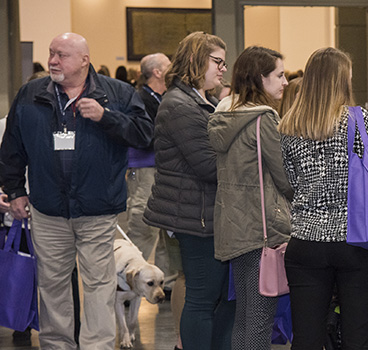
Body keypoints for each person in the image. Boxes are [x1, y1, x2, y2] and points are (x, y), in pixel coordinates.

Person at [0, 32, 153, 349]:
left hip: (98, 210)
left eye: (62, 55)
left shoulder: (117, 94)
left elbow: (144, 134)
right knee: (52, 285)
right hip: (47, 210)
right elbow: (11, 148)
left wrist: (106, 117)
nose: (53, 60)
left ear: (84, 60)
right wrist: (15, 191)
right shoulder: (30, 95)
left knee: (99, 284)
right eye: (51, 53)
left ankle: (97, 346)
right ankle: (58, 346)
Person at [279, 47, 368, 350]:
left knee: (306, 338)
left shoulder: (288, 125)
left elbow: (289, 181)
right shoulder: (358, 119)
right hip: (356, 239)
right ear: (343, 79)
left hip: (305, 242)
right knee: (357, 336)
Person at [143, 31, 235, 350]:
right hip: (193, 217)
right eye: (217, 62)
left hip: (200, 212)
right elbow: (209, 166)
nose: (223, 69)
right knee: (202, 299)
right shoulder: (181, 104)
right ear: (196, 60)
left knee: (218, 298)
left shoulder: (194, 100)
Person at [207, 45, 293, 349]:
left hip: (234, 227)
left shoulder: (224, 116)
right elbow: (285, 177)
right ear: (260, 78)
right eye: (279, 75)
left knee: (244, 318)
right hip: (262, 229)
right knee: (259, 321)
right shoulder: (263, 119)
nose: (285, 82)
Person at [127, 52, 172, 278]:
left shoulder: (165, 97)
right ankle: (131, 279)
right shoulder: (140, 99)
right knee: (143, 227)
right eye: (168, 65)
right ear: (157, 72)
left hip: (164, 169)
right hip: (145, 169)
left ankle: (163, 281)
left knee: (167, 231)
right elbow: (145, 136)